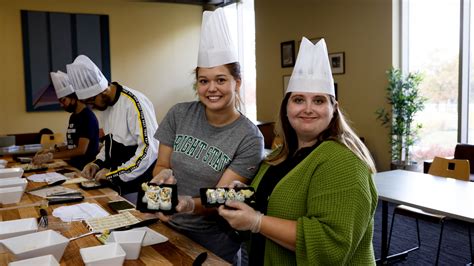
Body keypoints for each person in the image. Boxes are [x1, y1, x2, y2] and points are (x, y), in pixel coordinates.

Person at [217, 37, 378, 265]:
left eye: (319, 101)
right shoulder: (278, 155)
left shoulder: (344, 163)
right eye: (299, 99)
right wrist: (250, 197)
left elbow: (330, 246)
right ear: (287, 107)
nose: (308, 109)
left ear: (334, 109)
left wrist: (257, 222)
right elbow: (278, 203)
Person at [150, 8, 264, 263]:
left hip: (214, 242)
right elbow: (162, 164)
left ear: (237, 83)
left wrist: (188, 204)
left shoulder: (249, 138)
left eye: (221, 80)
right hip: (168, 229)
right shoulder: (179, 114)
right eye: (204, 81)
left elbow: (220, 197)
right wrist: (160, 195)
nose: (211, 88)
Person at [67, 55, 159, 201]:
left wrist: (114, 174)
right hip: (117, 187)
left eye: (91, 101)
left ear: (103, 91)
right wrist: (97, 164)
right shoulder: (105, 107)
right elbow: (109, 144)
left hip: (140, 188)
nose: (92, 107)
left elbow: (149, 150)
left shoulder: (134, 102)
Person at [33, 71, 99, 170]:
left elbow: (81, 150)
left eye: (63, 100)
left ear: (74, 98)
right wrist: (51, 150)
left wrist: (51, 156)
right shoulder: (73, 116)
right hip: (73, 166)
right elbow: (72, 145)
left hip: (85, 169)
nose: (61, 105)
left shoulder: (88, 117)